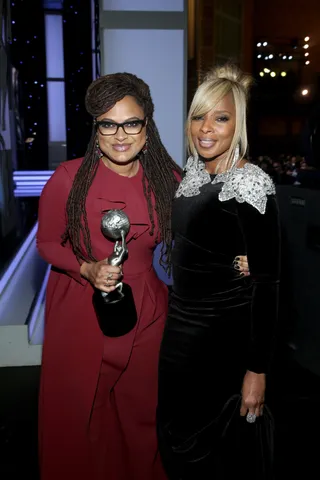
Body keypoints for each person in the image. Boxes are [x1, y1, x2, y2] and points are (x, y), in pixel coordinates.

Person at [37, 72, 249, 480]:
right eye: (108, 124)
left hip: (149, 311)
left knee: (143, 411)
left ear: (146, 127)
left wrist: (240, 257)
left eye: (131, 123)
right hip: (82, 307)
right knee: (85, 413)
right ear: (96, 129)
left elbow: (201, 235)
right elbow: (47, 243)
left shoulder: (167, 180)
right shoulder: (68, 179)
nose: (120, 134)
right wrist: (87, 267)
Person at [157, 63, 281, 479]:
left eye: (220, 117)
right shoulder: (192, 175)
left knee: (218, 457)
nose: (205, 128)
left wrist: (257, 370)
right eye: (198, 116)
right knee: (176, 438)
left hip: (223, 340)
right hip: (179, 336)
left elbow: (269, 284)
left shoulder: (251, 183)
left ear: (238, 123)